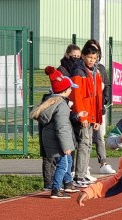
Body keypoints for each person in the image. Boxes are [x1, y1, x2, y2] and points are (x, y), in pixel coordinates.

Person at [31, 67, 82, 198]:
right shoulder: (62, 106)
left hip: (50, 139)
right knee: (63, 165)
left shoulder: (51, 102)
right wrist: (66, 147)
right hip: (58, 142)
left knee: (65, 162)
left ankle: (66, 184)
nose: (71, 90)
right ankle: (55, 188)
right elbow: (62, 128)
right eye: (70, 88)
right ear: (65, 90)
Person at [70, 44, 103, 187]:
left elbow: (97, 97)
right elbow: (77, 96)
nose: (91, 60)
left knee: (88, 144)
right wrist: (81, 116)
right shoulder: (79, 71)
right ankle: (79, 175)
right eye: (89, 57)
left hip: (91, 114)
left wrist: (97, 118)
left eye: (94, 58)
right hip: (83, 114)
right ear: (83, 56)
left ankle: (83, 173)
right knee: (84, 143)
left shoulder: (94, 72)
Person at [82, 39, 116, 175]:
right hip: (87, 109)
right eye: (91, 52)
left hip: (99, 108)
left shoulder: (100, 68)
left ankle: (103, 163)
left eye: (96, 52)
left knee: (99, 136)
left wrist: (104, 100)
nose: (93, 57)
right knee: (86, 138)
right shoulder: (82, 68)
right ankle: (84, 165)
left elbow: (107, 85)